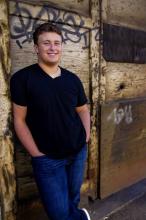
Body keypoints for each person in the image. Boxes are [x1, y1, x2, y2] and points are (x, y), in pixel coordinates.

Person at [10, 23, 91, 220]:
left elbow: (83, 110)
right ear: (36, 48)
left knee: (72, 199)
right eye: (46, 43)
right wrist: (37, 155)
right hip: (47, 159)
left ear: (62, 46)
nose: (53, 48)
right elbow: (19, 120)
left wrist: (86, 137)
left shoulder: (72, 79)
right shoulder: (23, 79)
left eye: (57, 43)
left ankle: (79, 214)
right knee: (59, 213)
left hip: (77, 152)